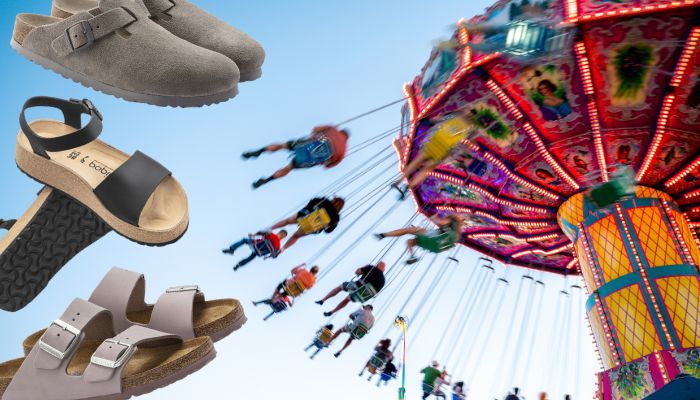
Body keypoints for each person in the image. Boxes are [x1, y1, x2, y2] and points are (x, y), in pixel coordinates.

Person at [392, 109, 476, 199]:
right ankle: (408, 186)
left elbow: (439, 119)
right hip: (444, 148)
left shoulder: (456, 115)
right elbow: (463, 144)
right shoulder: (470, 127)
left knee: (417, 161)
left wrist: (430, 122)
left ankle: (399, 181)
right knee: (427, 169)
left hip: (435, 140)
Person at [242, 126, 349, 189]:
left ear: (341, 131)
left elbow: (315, 129)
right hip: (311, 158)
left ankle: (259, 151)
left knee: (282, 146)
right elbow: (328, 166)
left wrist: (315, 138)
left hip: (309, 144)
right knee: (289, 168)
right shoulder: (343, 152)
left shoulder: (333, 129)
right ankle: (268, 180)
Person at [375, 214, 464, 264]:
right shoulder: (455, 233)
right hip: (437, 247)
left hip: (433, 240)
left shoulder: (451, 220)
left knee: (408, 230)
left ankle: (384, 235)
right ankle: (412, 256)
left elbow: (439, 222)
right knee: (410, 241)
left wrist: (433, 217)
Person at [269, 197, 344, 252]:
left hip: (304, 215)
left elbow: (312, 201)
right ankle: (282, 249)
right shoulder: (336, 218)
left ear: (334, 200)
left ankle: (270, 229)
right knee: (296, 236)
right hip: (312, 228)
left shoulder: (325, 201)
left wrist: (307, 211)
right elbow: (328, 231)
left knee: (287, 221)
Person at [316, 262, 386, 316]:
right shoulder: (383, 281)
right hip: (362, 295)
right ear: (383, 269)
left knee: (340, 287)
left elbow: (357, 272)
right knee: (347, 299)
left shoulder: (372, 268)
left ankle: (323, 300)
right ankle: (332, 312)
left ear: (377, 265)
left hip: (356, 286)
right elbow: (375, 293)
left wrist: (365, 266)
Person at [223, 230, 287, 271]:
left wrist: (253, 235)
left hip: (255, 244)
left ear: (279, 232)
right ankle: (239, 265)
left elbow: (261, 233)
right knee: (252, 257)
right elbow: (274, 255)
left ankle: (232, 249)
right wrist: (268, 257)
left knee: (244, 240)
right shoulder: (278, 246)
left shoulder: (272, 235)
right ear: (283, 237)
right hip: (259, 252)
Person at [256, 265, 320, 305]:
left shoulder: (303, 271)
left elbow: (292, 271)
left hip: (289, 285)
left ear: (311, 268)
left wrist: (301, 265)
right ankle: (274, 300)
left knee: (280, 285)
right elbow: (308, 288)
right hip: (294, 292)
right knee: (285, 293)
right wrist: (313, 279)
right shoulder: (313, 281)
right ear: (315, 273)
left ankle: (272, 298)